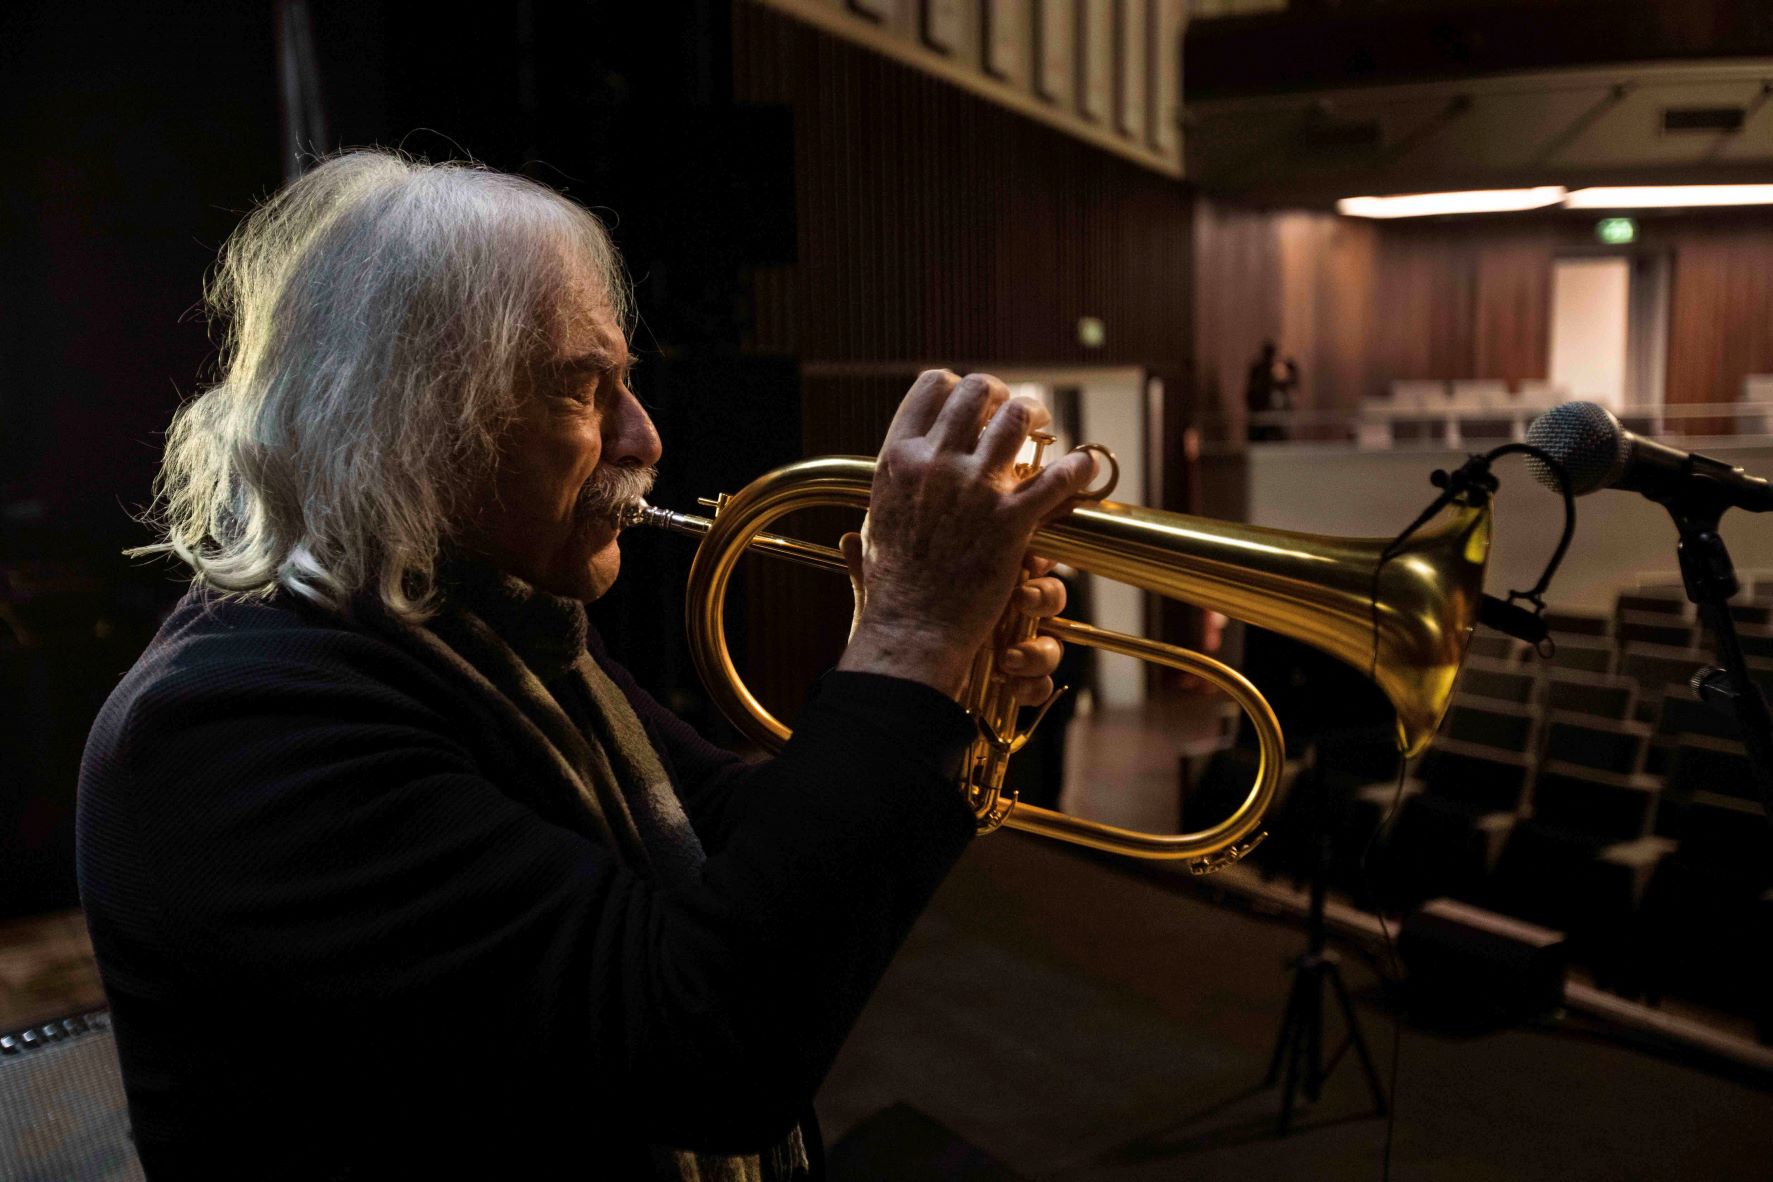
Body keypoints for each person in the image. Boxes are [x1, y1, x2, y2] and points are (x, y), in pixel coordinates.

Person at [75, 151, 1096, 1179]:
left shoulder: (478, 629)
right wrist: (912, 640)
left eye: (626, 383)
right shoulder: (233, 727)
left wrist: (947, 686)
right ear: (408, 422)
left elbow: (728, 850)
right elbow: (708, 1043)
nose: (642, 436)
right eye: (584, 389)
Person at [1244, 339, 1299, 443]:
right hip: (1262, 412)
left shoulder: (1280, 368)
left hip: (1275, 415)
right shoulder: (1259, 370)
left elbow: (1291, 384)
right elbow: (1252, 393)